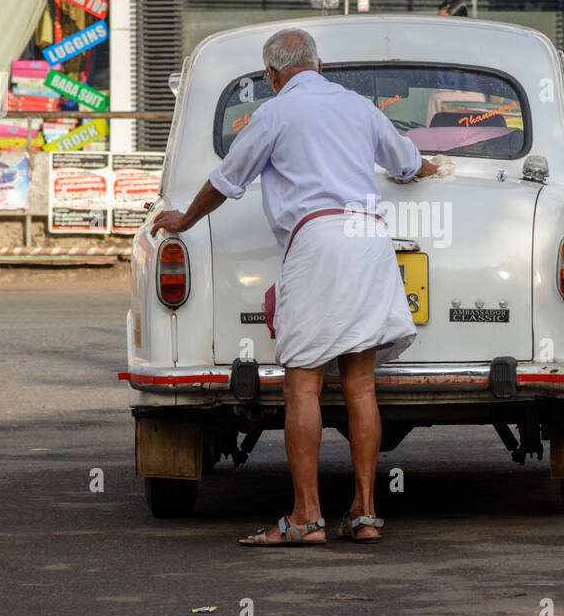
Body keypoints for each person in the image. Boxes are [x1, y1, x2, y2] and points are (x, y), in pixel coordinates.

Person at [149, 28, 438, 546]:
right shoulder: (360, 107)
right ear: (320, 65)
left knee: (302, 384)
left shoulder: (275, 113)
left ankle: (306, 518)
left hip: (319, 241)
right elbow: (409, 163)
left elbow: (226, 180)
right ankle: (365, 514)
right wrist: (437, 168)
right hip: (372, 240)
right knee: (361, 384)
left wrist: (185, 218)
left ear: (272, 76)